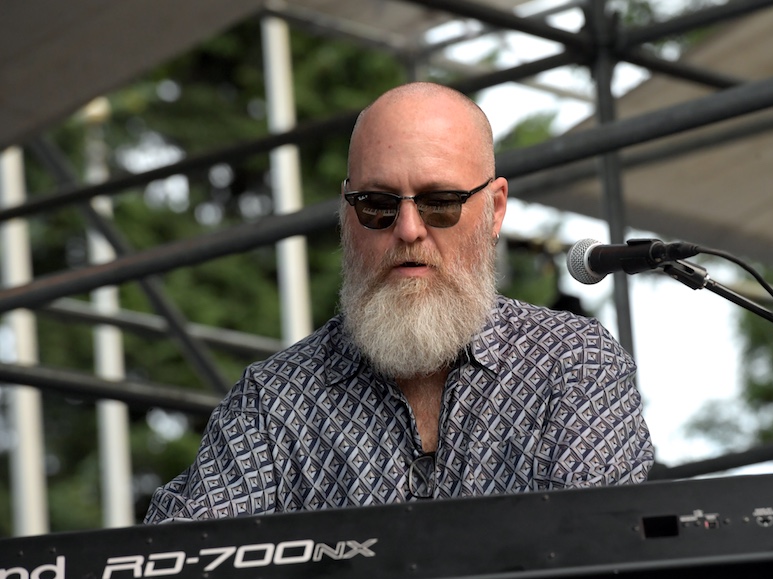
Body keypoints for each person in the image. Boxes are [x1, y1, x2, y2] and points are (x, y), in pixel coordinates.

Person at [144, 82, 653, 523]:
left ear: (494, 210)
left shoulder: (573, 363)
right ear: (347, 213)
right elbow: (175, 572)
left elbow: (592, 563)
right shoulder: (272, 404)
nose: (409, 229)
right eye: (378, 205)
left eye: (440, 203)